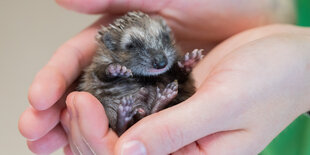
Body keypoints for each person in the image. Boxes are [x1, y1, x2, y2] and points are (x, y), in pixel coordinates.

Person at [18, 0, 310, 154]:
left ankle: (158, 102)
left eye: (162, 40)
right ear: (109, 47)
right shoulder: (106, 62)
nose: (158, 57)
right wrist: (274, 10)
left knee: (176, 87)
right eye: (133, 46)